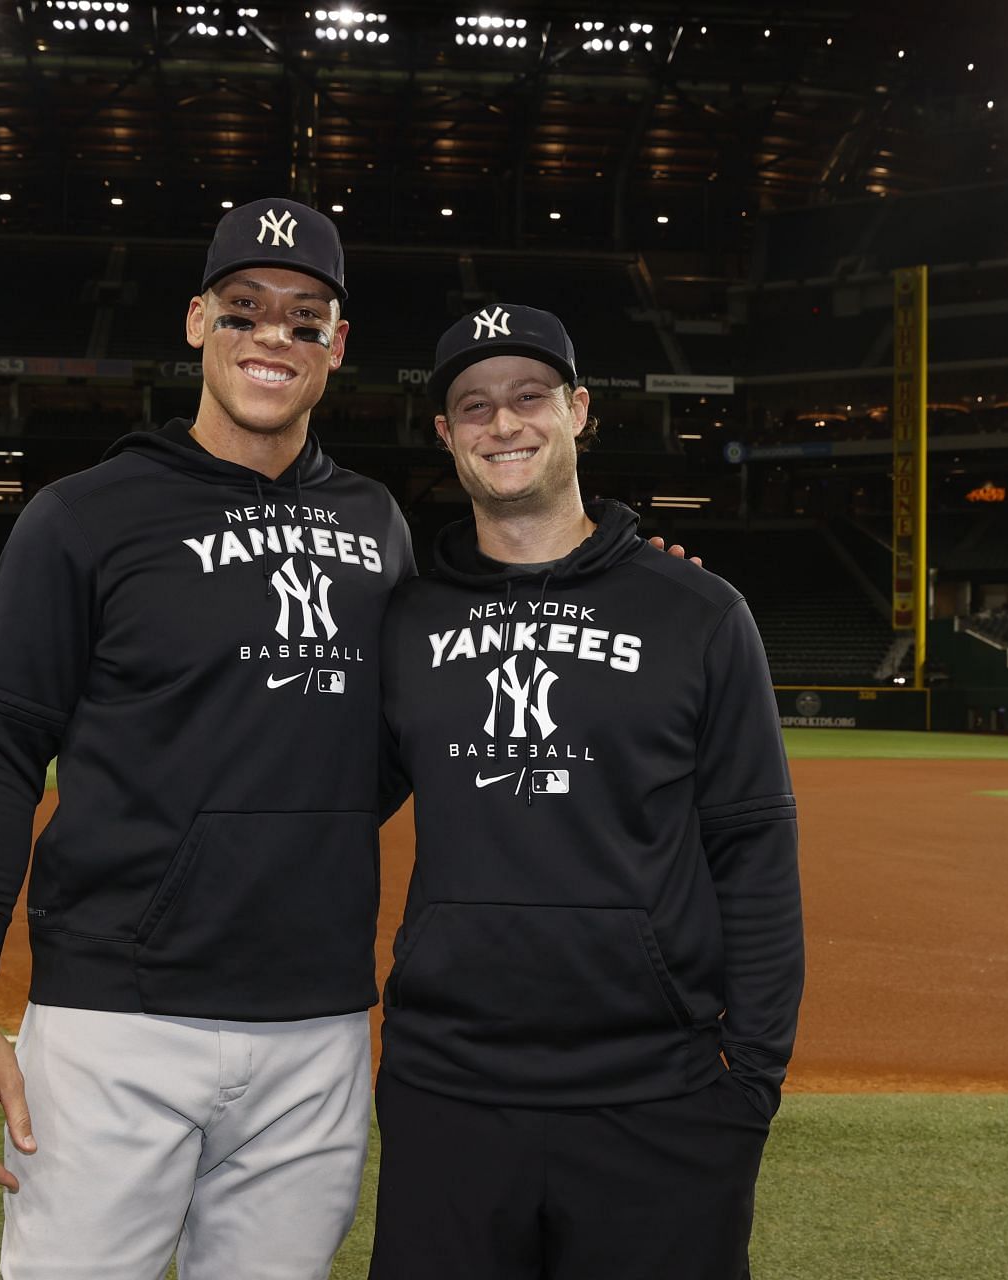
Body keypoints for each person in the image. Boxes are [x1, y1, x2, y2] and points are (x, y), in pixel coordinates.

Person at [0, 198, 416, 1280]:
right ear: (197, 321)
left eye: (304, 318)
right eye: (246, 310)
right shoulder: (85, 515)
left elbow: (376, 749)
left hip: (317, 1021)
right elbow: (0, 748)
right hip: (116, 1018)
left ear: (339, 344)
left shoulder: (378, 523)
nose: (272, 338)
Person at [369, 304, 804, 1280]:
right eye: (473, 405)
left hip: (660, 1099)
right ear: (445, 435)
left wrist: (751, 1086)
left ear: (578, 409)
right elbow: (320, 802)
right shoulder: (402, 621)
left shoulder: (696, 612)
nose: (503, 423)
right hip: (449, 1095)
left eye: (529, 396)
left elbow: (755, 848)